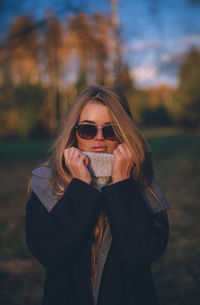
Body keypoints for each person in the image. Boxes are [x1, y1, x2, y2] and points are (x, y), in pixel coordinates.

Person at [25, 85, 170, 305]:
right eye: (88, 129)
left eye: (111, 130)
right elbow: (51, 255)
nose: (99, 139)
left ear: (123, 134)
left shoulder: (144, 184)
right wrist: (81, 187)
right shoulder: (46, 181)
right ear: (74, 133)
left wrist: (122, 185)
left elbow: (141, 254)